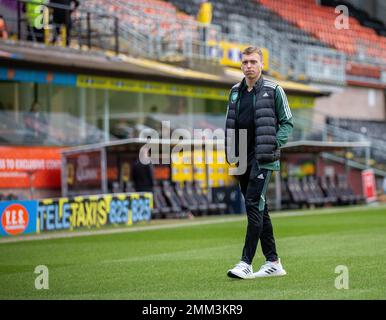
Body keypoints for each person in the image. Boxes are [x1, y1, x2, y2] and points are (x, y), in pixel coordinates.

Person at [225, 46, 293, 279]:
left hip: (263, 158)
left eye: (253, 62)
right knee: (260, 210)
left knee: (253, 204)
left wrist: (274, 143)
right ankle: (273, 262)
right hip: (240, 159)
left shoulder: (274, 89)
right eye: (245, 62)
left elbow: (287, 122)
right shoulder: (235, 91)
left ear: (262, 64)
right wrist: (231, 154)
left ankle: (245, 263)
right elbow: (230, 125)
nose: (248, 66)